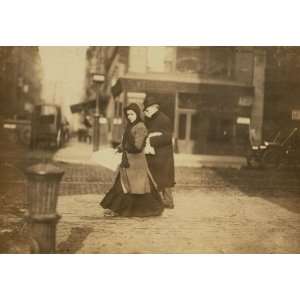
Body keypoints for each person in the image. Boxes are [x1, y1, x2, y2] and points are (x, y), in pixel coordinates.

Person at [100, 103, 164, 217]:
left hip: (136, 163)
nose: (129, 116)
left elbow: (138, 146)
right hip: (128, 161)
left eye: (132, 114)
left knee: (136, 188)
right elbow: (125, 141)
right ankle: (116, 208)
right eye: (128, 114)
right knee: (122, 185)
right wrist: (119, 148)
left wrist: (124, 148)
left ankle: (150, 209)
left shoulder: (140, 127)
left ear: (137, 114)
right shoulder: (130, 126)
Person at [143, 96, 175, 209]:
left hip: (163, 155)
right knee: (157, 177)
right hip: (154, 153)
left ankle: (168, 201)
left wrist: (150, 140)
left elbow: (167, 137)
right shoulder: (149, 119)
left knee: (164, 179)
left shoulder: (164, 119)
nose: (145, 112)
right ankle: (159, 200)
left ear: (154, 108)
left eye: (146, 110)